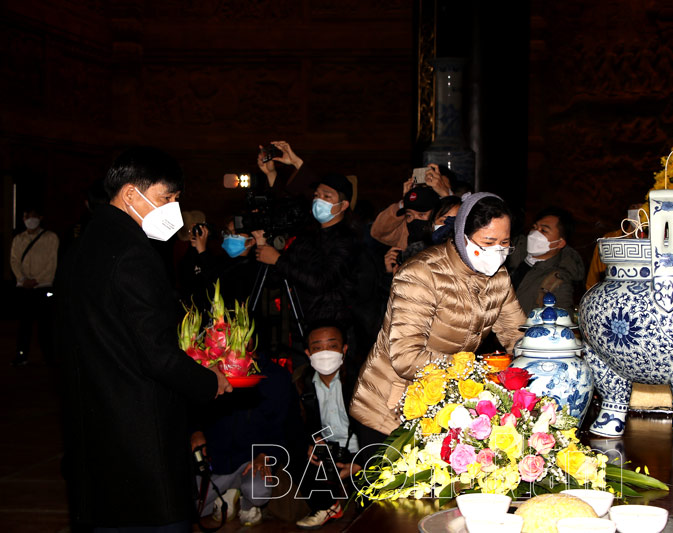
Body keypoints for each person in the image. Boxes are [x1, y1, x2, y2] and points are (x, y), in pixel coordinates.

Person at [59, 146, 232, 532]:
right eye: (165, 198)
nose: (173, 209)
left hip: (93, 422)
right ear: (130, 194)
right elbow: (156, 354)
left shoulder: (83, 243)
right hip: (138, 428)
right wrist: (208, 381)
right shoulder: (134, 253)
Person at [350, 193, 526, 437]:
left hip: (445, 402)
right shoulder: (422, 274)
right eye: (488, 242)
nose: (497, 251)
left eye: (504, 243)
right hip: (392, 405)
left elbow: (516, 333)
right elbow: (406, 357)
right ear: (462, 237)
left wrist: (539, 356)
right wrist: (475, 370)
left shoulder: (498, 278)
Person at [190, 359, 300, 527]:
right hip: (215, 461)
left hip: (251, 460)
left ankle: (246, 502)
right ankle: (228, 493)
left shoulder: (276, 375)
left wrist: (265, 454)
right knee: (189, 510)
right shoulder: (210, 366)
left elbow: (285, 427)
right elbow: (190, 406)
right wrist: (195, 431)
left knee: (258, 493)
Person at [253, 173, 358, 328]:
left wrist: (278, 260)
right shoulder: (306, 238)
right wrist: (262, 244)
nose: (319, 200)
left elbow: (320, 282)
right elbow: (274, 280)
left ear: (343, 205)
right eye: (316, 195)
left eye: (327, 197)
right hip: (301, 322)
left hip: (331, 325)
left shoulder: (347, 240)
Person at [293, 323, 364, 530]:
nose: (325, 353)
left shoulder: (361, 379)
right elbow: (295, 424)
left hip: (362, 449)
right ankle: (326, 506)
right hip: (327, 451)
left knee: (369, 509)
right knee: (295, 453)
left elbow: (378, 426)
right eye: (317, 348)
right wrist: (309, 442)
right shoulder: (301, 383)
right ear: (308, 353)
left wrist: (362, 461)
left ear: (344, 349)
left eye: (332, 346)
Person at [507, 206, 585, 314]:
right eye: (534, 227)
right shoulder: (510, 253)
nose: (534, 233)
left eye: (543, 230)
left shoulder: (558, 281)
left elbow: (562, 318)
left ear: (560, 243)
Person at [10, 206, 59, 366]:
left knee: (45, 324)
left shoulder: (50, 238)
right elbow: (14, 261)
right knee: (24, 324)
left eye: (33, 216)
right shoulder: (18, 239)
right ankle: (21, 354)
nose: (30, 220)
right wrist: (22, 279)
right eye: (27, 216)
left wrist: (37, 279)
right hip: (24, 287)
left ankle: (49, 357)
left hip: (43, 286)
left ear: (40, 217)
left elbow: (52, 262)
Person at [370, 164, 451, 250]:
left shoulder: (448, 223)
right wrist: (407, 201)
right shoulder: (408, 226)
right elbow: (378, 232)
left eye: (438, 186)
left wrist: (447, 198)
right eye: (424, 187)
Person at [382, 185, 441, 276]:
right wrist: (390, 273)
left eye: (421, 215)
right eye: (409, 216)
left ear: (436, 214)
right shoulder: (406, 250)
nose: (414, 220)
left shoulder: (444, 250)